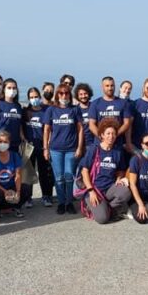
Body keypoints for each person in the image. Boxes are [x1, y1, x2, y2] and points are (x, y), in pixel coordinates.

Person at [78, 118, 131, 224]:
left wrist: (119, 178)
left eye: (113, 133)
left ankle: (107, 207)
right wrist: (91, 191)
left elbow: (121, 170)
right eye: (108, 133)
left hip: (109, 188)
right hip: (95, 189)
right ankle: (93, 207)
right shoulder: (94, 149)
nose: (111, 136)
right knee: (102, 219)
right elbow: (84, 171)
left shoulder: (117, 152)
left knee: (125, 192)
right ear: (101, 135)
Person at [43, 83, 84, 214]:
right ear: (57, 95)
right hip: (55, 149)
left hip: (71, 149)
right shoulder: (51, 110)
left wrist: (79, 147)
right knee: (59, 177)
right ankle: (61, 202)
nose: (64, 95)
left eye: (66, 93)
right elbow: (46, 130)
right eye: (61, 93)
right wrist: (45, 148)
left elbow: (80, 129)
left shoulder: (75, 110)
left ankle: (69, 202)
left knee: (69, 176)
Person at [22, 87, 54, 208]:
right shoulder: (25, 112)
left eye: (36, 97)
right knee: (28, 173)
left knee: (44, 172)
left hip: (42, 146)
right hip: (29, 146)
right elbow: (21, 127)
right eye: (31, 97)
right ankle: (27, 198)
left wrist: (47, 145)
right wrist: (23, 138)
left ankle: (46, 196)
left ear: (40, 97)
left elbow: (49, 129)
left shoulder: (46, 110)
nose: (34, 99)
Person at [89, 76, 132, 149]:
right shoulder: (95, 103)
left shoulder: (123, 103)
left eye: (112, 85)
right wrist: (102, 137)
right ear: (102, 87)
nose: (110, 88)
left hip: (117, 144)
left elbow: (127, 123)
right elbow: (91, 125)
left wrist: (114, 135)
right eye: (107, 86)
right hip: (100, 144)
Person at [0, 78, 23, 153]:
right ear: (4, 89)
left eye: (14, 88)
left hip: (15, 144)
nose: (12, 90)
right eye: (9, 88)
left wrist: (22, 136)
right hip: (1, 143)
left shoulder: (18, 106)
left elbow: (19, 124)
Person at [74, 83, 95, 149]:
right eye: (81, 94)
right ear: (77, 96)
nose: (83, 96)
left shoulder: (95, 107)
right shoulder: (74, 110)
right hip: (77, 145)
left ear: (89, 94)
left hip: (92, 143)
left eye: (85, 93)